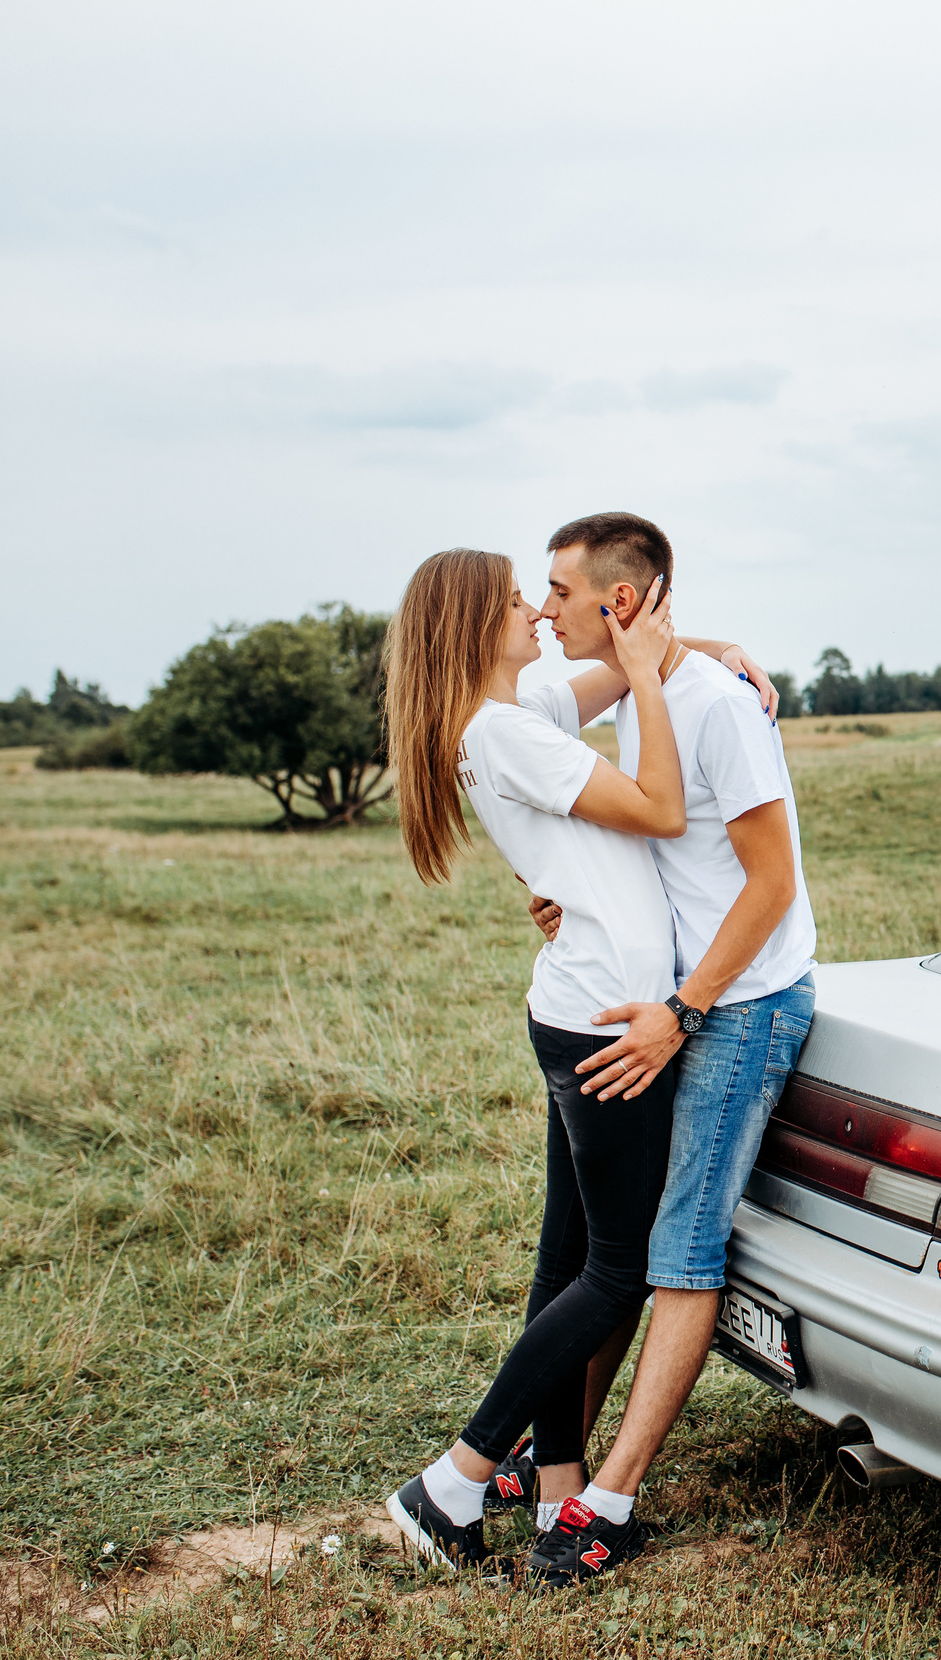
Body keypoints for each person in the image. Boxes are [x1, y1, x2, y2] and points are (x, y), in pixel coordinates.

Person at [509, 511, 817, 1586]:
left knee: (679, 1247)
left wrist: (682, 1013)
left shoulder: (719, 711)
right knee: (614, 1242)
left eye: (558, 590)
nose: (544, 611)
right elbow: (653, 848)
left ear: (619, 603)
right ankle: (556, 1457)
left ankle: (611, 1501)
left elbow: (771, 887)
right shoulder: (649, 692)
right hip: (670, 999)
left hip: (736, 1008)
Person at [378, 545, 690, 1570]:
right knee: (622, 1269)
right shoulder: (508, 731)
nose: (531, 609)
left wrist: (691, 649)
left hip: (575, 1003)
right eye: (514, 597)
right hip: (604, 1020)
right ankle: (456, 1478)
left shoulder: (511, 719)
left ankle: (556, 1481)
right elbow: (659, 810)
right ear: (471, 624)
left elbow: (619, 662)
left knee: (568, 1262)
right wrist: (647, 676)